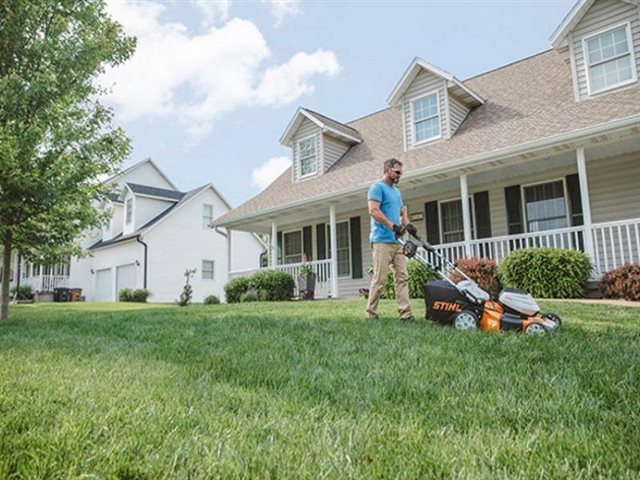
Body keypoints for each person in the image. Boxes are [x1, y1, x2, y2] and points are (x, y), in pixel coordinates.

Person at [366, 158, 418, 322]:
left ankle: (405, 314)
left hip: (397, 242)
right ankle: (371, 314)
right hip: (381, 240)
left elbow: (402, 212)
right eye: (397, 172)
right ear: (388, 170)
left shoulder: (397, 192)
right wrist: (391, 226)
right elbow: (373, 210)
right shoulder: (377, 187)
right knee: (380, 279)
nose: (399, 175)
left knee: (402, 277)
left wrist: (408, 225)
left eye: (401, 173)